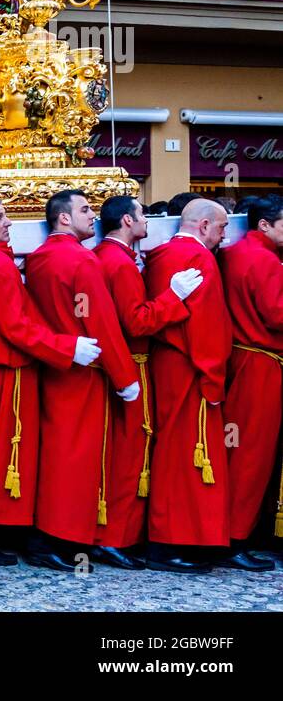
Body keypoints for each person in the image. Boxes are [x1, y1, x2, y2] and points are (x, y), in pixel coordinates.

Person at [0, 196, 93, 565]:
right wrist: (66, 347)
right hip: (5, 372)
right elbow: (16, 326)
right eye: (0, 217)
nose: (9, 222)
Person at [21, 191, 138, 573]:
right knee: (78, 460)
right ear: (64, 219)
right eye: (85, 209)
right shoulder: (82, 260)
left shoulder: (38, 257)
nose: (93, 216)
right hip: (84, 371)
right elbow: (100, 322)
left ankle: (48, 536)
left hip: (52, 363)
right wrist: (125, 377)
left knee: (56, 455)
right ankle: (63, 538)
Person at [93, 195, 198, 568]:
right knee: (130, 451)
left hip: (124, 363)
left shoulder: (113, 256)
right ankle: (114, 537)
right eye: (141, 215)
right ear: (126, 221)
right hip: (130, 363)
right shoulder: (118, 263)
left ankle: (118, 533)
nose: (148, 222)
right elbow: (136, 322)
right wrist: (174, 297)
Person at [142, 199, 232, 573]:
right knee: (189, 456)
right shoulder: (199, 258)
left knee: (173, 452)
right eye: (222, 228)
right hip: (192, 366)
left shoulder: (162, 253)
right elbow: (207, 324)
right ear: (205, 225)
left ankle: (178, 538)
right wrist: (214, 376)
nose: (224, 236)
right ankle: (173, 541)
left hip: (168, 363)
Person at [219, 194, 283, 571]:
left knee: (236, 449)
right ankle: (237, 538)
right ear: (264, 224)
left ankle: (230, 532)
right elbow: (277, 314)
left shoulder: (235, 253)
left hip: (241, 358)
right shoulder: (265, 259)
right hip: (261, 363)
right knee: (251, 456)